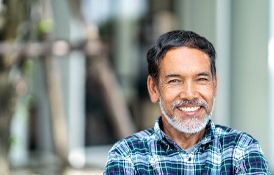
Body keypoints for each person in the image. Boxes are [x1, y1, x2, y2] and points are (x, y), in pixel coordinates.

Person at [104, 30, 270, 174]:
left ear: (215, 85)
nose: (190, 94)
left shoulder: (242, 150)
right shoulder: (128, 155)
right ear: (154, 89)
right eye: (175, 80)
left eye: (201, 79)